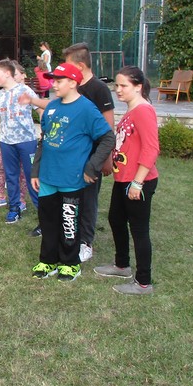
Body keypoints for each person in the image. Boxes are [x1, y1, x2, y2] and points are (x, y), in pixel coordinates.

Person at [26, 62, 114, 281]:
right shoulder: (52, 108)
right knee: (48, 221)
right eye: (53, 80)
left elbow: (107, 138)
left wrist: (91, 167)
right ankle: (48, 260)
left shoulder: (86, 109)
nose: (54, 85)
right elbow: (44, 140)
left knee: (69, 223)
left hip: (71, 179)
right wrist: (36, 170)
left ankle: (70, 263)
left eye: (59, 81)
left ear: (73, 83)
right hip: (48, 177)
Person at [94, 66, 160, 295]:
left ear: (138, 87)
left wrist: (138, 183)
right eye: (117, 85)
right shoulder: (132, 110)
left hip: (138, 182)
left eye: (124, 85)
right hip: (124, 179)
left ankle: (143, 283)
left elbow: (151, 149)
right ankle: (122, 265)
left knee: (139, 230)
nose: (118, 90)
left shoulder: (143, 111)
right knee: (116, 219)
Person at [62, 43, 116, 262]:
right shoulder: (71, 88)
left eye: (68, 64)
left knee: (88, 200)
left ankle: (86, 242)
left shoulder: (99, 89)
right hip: (71, 157)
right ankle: (70, 236)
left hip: (92, 157)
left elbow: (108, 126)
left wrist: (106, 158)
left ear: (80, 66)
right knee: (70, 197)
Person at [0, 58, 38, 228]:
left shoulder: (25, 90)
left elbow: (41, 109)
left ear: (8, 73)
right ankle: (14, 208)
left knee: (32, 176)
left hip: (27, 142)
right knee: (11, 176)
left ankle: (43, 211)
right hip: (7, 143)